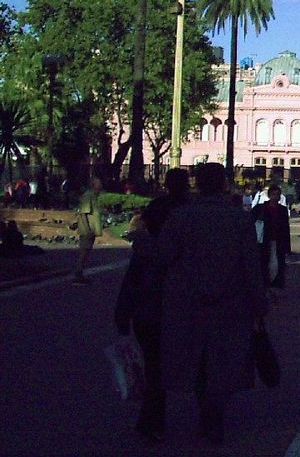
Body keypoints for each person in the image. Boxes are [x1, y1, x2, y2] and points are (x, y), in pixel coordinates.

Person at [157, 163, 268, 445]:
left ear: (197, 183)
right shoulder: (239, 220)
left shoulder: (180, 217)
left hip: (187, 303)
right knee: (223, 361)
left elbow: (164, 258)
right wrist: (259, 302)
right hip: (229, 304)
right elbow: (251, 266)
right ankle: (214, 411)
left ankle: (204, 406)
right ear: (223, 185)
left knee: (195, 358)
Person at [114, 168, 190, 443]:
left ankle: (152, 418)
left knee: (154, 365)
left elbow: (132, 279)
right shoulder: (188, 218)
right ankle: (157, 417)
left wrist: (122, 314)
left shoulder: (146, 245)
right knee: (169, 364)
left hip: (147, 311)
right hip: (176, 309)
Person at [253, 185, 291, 287]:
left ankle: (274, 282)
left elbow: (286, 228)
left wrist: (287, 246)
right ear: (269, 195)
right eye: (273, 194)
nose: (276, 197)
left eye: (278, 194)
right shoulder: (260, 208)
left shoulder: (282, 210)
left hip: (278, 238)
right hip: (264, 239)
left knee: (276, 262)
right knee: (265, 261)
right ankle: (266, 281)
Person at [73, 176, 104, 284]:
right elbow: (83, 214)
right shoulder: (88, 196)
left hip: (92, 229)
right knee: (84, 252)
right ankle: (78, 274)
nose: (101, 185)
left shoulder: (95, 196)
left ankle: (80, 274)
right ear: (93, 185)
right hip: (88, 229)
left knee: (87, 252)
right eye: (99, 183)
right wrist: (88, 229)